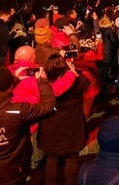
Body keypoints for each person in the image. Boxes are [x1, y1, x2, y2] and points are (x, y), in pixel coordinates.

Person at [0, 66, 55, 184]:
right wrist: (43, 81)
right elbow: (48, 106)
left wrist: (14, 80)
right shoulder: (17, 111)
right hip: (12, 174)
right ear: (10, 87)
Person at [37, 54, 91, 185]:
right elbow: (86, 81)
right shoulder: (76, 83)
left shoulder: (44, 85)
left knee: (51, 157)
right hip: (72, 127)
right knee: (72, 158)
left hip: (51, 127)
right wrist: (73, 72)